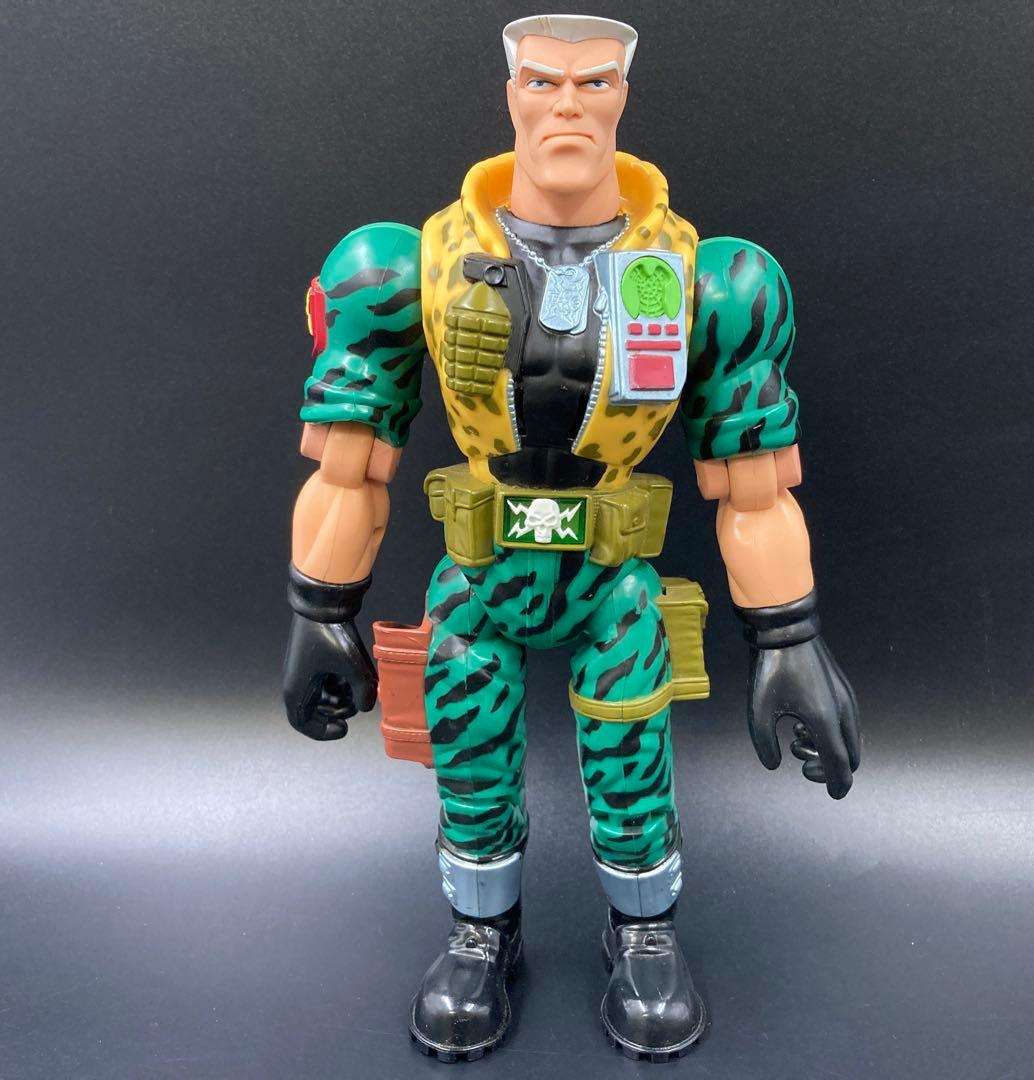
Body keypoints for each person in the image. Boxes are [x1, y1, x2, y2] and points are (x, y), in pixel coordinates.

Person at [283, 13, 860, 1063]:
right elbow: (348, 464)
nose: (567, 105)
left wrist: (789, 638)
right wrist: (320, 611)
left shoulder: (705, 278)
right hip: (483, 575)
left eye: (594, 84)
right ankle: (481, 930)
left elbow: (754, 489)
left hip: (611, 580)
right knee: (470, 758)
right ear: (510, 92)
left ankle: (643, 930)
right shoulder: (411, 264)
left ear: (623, 97)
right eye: (544, 81)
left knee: (633, 760)